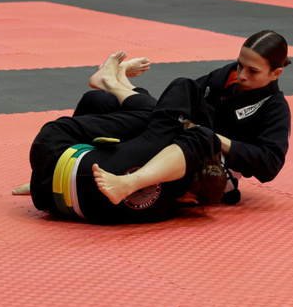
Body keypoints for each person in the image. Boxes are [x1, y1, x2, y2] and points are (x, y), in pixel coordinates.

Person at [16, 30, 291, 206]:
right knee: (97, 101)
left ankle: (116, 82)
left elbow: (269, 163)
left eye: (252, 71)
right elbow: (173, 107)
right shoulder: (227, 75)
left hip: (205, 160)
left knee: (179, 89)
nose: (242, 74)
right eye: (241, 64)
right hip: (176, 134)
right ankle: (56, 172)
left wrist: (213, 138)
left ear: (276, 73)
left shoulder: (275, 108)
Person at [29, 52, 227, 223]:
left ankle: (111, 81)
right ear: (190, 201)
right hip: (46, 195)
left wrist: (189, 126)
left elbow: (184, 86)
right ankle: (115, 81)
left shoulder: (160, 142)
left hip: (52, 144)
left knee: (151, 115)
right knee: (105, 103)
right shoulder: (161, 213)